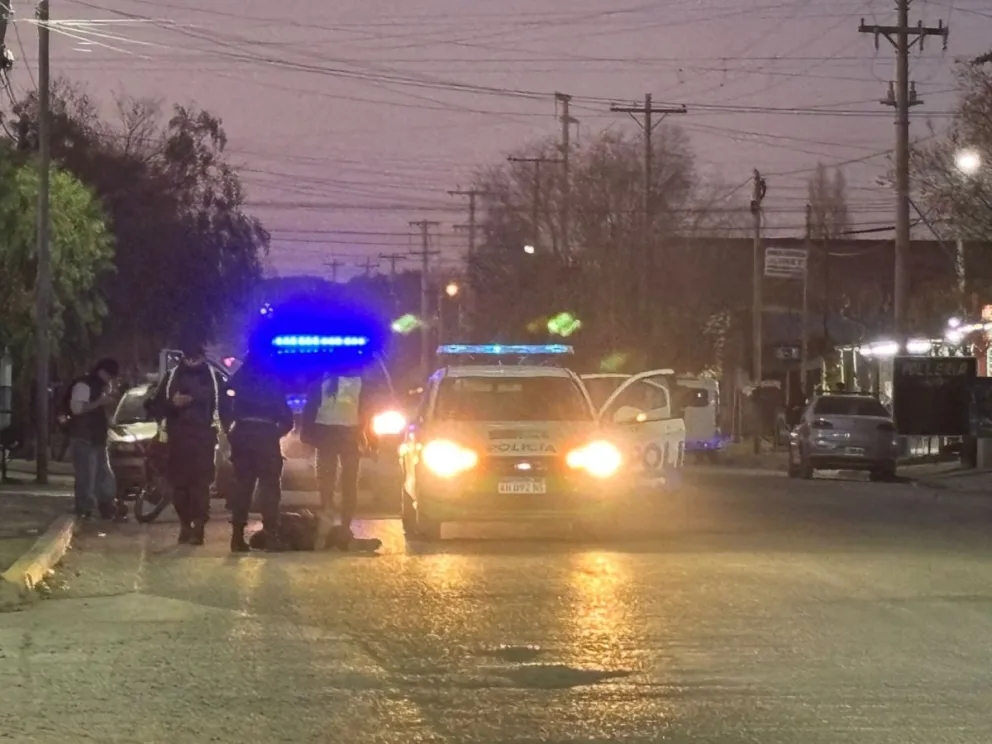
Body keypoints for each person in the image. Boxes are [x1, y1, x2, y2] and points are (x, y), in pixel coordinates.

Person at [148, 338, 228, 546]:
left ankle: (198, 528)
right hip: (178, 441)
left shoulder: (214, 378)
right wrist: (172, 404)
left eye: (196, 359)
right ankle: (185, 525)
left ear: (203, 357)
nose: (192, 362)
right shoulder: (171, 377)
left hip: (203, 441)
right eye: (188, 358)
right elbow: (156, 407)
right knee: (180, 487)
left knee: (200, 486)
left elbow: (225, 407)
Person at [301, 362, 383, 535]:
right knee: (349, 482)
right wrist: (373, 443)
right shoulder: (360, 383)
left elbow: (309, 409)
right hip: (350, 436)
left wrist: (306, 436)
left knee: (326, 481)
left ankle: (327, 518)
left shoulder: (321, 381)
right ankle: (346, 525)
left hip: (325, 435)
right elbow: (367, 414)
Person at [223, 353, 294, 552]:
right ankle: (271, 535)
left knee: (243, 487)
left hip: (242, 434)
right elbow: (285, 415)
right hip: (266, 435)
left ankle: (237, 537)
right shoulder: (272, 378)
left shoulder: (240, 376)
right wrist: (277, 432)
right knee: (269, 488)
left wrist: (230, 429)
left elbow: (225, 401)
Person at [64, 358, 120, 519]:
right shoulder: (84, 385)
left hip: (98, 438)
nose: (110, 380)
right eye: (109, 376)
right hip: (83, 438)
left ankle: (106, 505)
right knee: (86, 476)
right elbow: (77, 409)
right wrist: (99, 402)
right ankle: (84, 508)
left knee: (104, 475)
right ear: (102, 372)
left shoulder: (102, 387)